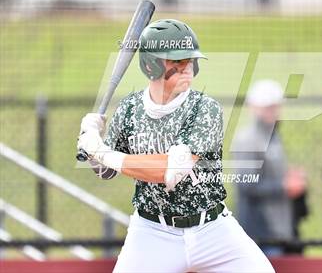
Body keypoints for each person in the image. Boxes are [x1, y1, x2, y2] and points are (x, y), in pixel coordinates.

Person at [77, 19, 274, 272]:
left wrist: (102, 152)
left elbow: (171, 171)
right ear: (152, 65)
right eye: (177, 62)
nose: (188, 69)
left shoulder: (204, 108)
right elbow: (106, 172)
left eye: (190, 61)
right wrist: (91, 142)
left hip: (212, 229)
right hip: (152, 232)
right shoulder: (129, 110)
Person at [231, 80, 308, 257]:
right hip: (259, 230)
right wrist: (285, 186)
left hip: (277, 228)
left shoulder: (272, 136)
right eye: (267, 107)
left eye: (275, 107)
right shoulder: (248, 139)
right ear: (254, 108)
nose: (273, 112)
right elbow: (246, 184)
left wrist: (290, 177)